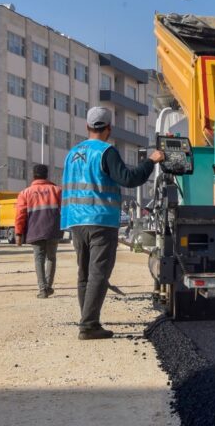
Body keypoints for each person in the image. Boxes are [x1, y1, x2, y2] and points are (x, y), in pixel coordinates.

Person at [61, 107, 164, 340]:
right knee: (99, 273)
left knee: (85, 273)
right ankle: (88, 325)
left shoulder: (73, 153)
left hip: (76, 221)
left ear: (87, 127)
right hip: (100, 220)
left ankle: (88, 320)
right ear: (109, 129)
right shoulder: (106, 151)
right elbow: (129, 179)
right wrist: (151, 161)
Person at [16, 164, 63, 299]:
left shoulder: (25, 193)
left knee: (39, 259)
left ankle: (43, 289)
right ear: (46, 175)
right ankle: (48, 286)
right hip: (53, 229)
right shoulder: (57, 190)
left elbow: (20, 215)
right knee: (51, 258)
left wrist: (19, 233)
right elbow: (66, 210)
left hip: (35, 230)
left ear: (33, 175)